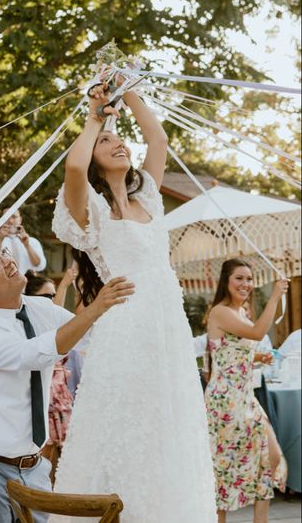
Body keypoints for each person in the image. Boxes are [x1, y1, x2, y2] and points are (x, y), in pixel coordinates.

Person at [50, 78, 217, 522]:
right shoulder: (94, 212)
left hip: (166, 327)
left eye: (119, 138)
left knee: (167, 419)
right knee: (124, 417)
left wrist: (128, 89)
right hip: (126, 326)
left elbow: (157, 138)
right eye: (107, 143)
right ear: (95, 160)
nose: (118, 144)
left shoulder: (149, 199)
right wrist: (93, 117)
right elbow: (71, 171)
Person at [0, 246, 134, 523]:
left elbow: (87, 336)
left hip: (34, 469)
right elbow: (33, 354)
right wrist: (96, 307)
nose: (8, 262)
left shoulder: (41, 308)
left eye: (3, 254)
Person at [205, 259, 289, 523]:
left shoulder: (242, 312)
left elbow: (229, 353)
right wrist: (275, 296)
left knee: (271, 457)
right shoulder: (220, 311)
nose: (246, 284)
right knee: (222, 466)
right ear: (226, 282)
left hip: (245, 397)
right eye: (239, 278)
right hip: (225, 400)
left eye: (249, 279)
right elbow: (256, 333)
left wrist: (256, 359)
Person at [24, 268, 78, 483]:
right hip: (44, 393)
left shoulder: (49, 320)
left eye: (52, 297)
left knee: (61, 455)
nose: (51, 302)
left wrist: (64, 285)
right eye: (46, 297)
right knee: (41, 454)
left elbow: (57, 315)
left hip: (59, 393)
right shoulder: (30, 325)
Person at [0, 209, 47, 273]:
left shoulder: (33, 241)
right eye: (6, 217)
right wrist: (0, 240)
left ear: (20, 220)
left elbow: (39, 266)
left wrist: (27, 245)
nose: (10, 221)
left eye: (14, 217)